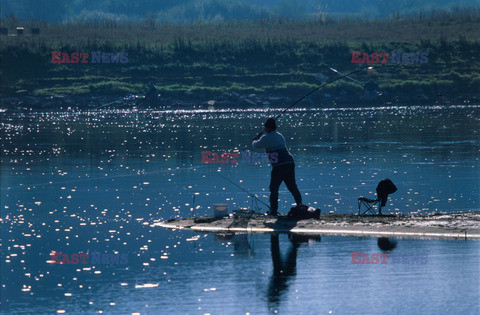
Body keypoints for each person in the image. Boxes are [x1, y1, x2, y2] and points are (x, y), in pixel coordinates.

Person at [252, 118, 303, 216]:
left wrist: (256, 139)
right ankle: (300, 205)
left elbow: (255, 145)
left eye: (265, 127)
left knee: (273, 188)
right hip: (289, 161)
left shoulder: (266, 138)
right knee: (292, 186)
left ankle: (273, 211)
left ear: (267, 128)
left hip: (279, 165)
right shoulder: (279, 135)